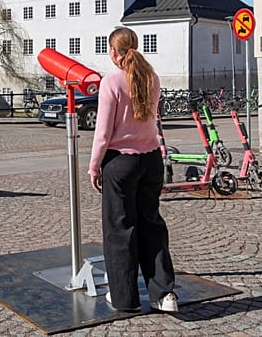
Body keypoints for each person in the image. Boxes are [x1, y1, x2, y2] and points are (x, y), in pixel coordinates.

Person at [88, 27, 177, 313]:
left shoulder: (111, 82)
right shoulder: (152, 78)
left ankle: (124, 296)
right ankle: (164, 294)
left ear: (114, 53)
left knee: (120, 229)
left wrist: (94, 167)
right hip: (151, 159)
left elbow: (103, 132)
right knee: (151, 223)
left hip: (121, 162)